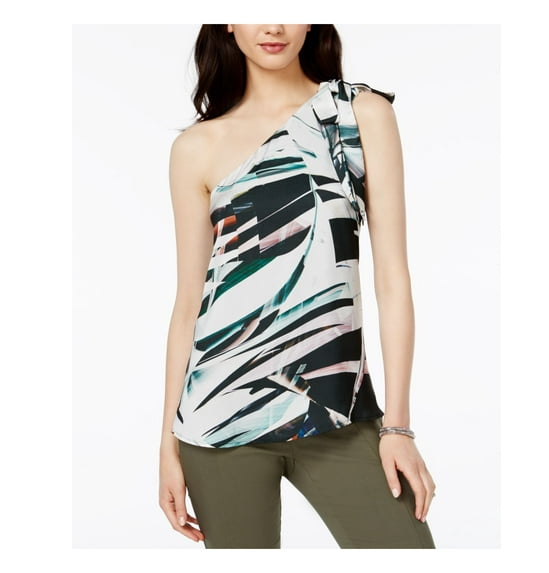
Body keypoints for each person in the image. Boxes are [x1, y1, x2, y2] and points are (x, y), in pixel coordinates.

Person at [159, 24, 437, 549]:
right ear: (228, 22)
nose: (273, 25)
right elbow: (189, 303)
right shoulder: (195, 147)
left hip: (338, 411)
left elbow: (393, 278)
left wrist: (397, 427)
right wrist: (166, 446)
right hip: (218, 415)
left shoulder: (358, 114)